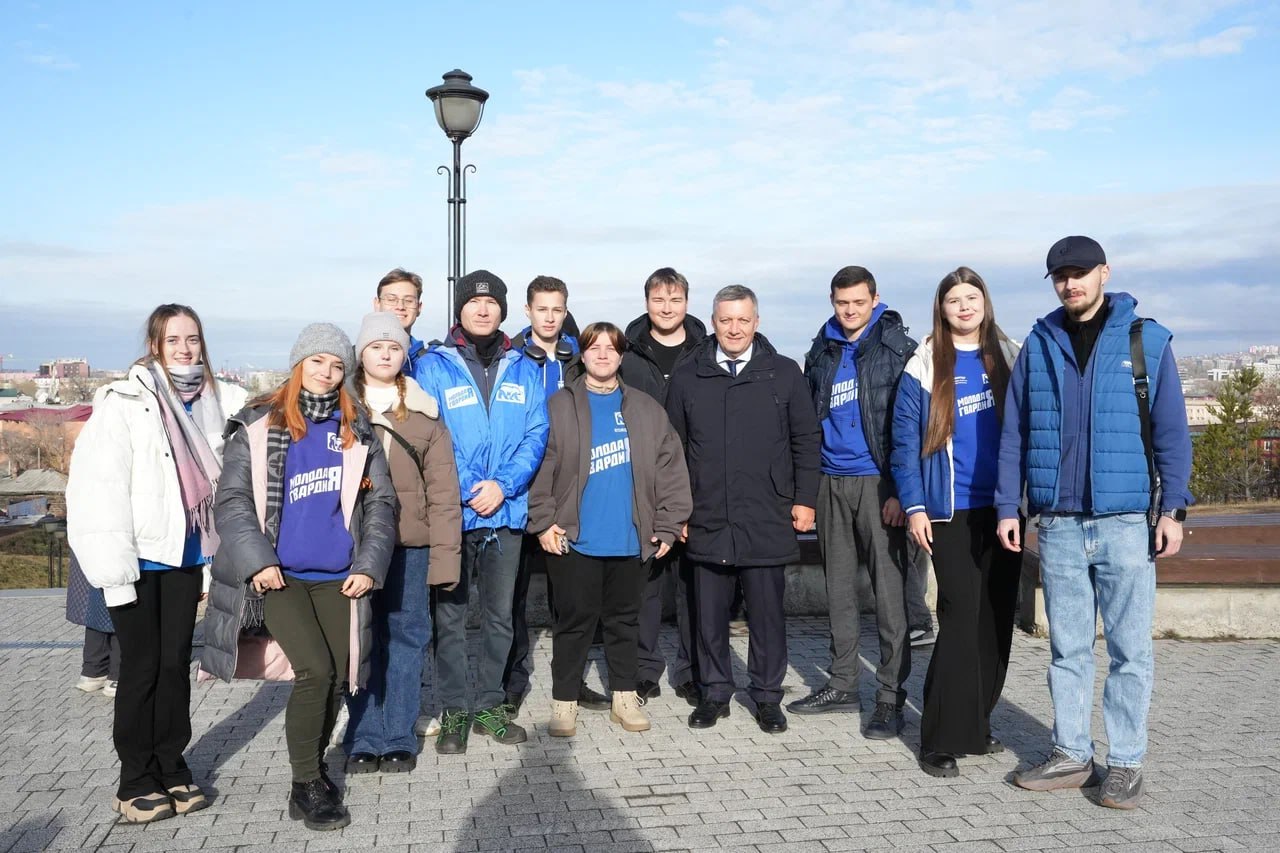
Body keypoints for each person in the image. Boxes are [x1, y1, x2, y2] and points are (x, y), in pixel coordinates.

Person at [998, 236, 1192, 809]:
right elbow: (1014, 433)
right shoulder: (1038, 343)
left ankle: (1126, 763)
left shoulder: (1145, 341)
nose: (1070, 284)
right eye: (1060, 276)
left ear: (1104, 272)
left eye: (1080, 273)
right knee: (1068, 650)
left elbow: (1172, 433)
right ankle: (1072, 754)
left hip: (1125, 522)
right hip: (1058, 523)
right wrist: (1009, 506)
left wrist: (1173, 510)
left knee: (1130, 651)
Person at [201, 323, 396, 831]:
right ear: (298, 365)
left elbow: (381, 505)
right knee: (314, 671)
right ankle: (305, 783)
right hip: (279, 576)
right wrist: (258, 561)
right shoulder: (259, 425)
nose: (327, 373)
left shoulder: (356, 428)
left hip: (339, 576)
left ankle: (313, 771)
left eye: (337, 365)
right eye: (317, 362)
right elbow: (232, 502)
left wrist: (369, 565)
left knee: (337, 676)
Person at [66, 303, 246, 823]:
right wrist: (113, 573)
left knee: (174, 667)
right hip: (139, 559)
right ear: (154, 346)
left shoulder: (216, 402)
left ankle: (171, 764)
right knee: (140, 669)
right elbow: (98, 491)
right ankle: (135, 779)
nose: (185, 349)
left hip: (187, 556)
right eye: (173, 340)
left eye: (192, 339)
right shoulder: (124, 402)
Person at [666, 285, 821, 734]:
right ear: (713, 321)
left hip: (767, 512)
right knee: (708, 615)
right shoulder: (688, 376)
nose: (734, 329)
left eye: (742, 320)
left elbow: (806, 440)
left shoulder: (784, 373)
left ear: (756, 321)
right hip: (706, 513)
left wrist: (805, 499)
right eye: (725, 320)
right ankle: (714, 693)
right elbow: (671, 450)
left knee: (767, 615)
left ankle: (767, 696)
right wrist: (677, 512)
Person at [528, 321, 692, 736]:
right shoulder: (559, 405)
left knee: (624, 623)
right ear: (582, 354)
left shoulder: (646, 409)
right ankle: (564, 701)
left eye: (611, 348)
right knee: (574, 624)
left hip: (630, 538)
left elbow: (671, 470)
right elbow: (541, 467)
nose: (602, 355)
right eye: (594, 347)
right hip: (574, 539)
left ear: (621, 356)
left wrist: (668, 525)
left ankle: (624, 696)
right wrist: (543, 522)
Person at [890, 267, 1021, 777]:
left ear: (985, 302)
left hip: (1004, 510)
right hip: (949, 511)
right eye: (954, 300)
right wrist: (915, 506)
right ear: (941, 309)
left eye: (972, 297)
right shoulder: (924, 364)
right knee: (960, 618)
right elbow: (904, 444)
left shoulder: (1010, 355)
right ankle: (939, 737)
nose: (964, 306)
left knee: (994, 622)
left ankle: (976, 725)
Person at [413, 270, 549, 754]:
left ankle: (491, 705)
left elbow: (536, 432)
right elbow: (432, 434)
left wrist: (503, 485)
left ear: (503, 310)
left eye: (492, 303)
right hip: (455, 512)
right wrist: (472, 487)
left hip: (506, 512)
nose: (483, 309)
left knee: (500, 616)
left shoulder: (525, 367)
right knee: (449, 618)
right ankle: (454, 709)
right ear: (460, 309)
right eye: (473, 302)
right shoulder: (433, 366)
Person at [791, 266, 919, 741]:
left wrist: (901, 491)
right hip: (830, 481)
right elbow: (807, 421)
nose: (850, 310)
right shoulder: (820, 350)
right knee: (839, 590)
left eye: (858, 302)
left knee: (889, 596)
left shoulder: (898, 349)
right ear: (833, 301)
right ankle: (843, 683)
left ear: (875, 299)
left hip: (878, 483)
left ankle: (890, 695)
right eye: (842, 303)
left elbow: (912, 426)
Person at [342, 312, 462, 775]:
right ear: (362, 353)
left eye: (394, 347)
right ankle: (363, 734)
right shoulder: (339, 407)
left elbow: (444, 493)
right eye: (376, 346)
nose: (386, 354)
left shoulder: (425, 414)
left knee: (407, 637)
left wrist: (446, 558)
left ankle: (397, 736)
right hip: (352, 547)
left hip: (410, 546)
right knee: (359, 639)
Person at [503, 276, 609, 714]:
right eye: (542, 309)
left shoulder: (578, 361)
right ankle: (510, 684)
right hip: (518, 489)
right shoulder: (510, 360)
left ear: (566, 312)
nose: (549, 317)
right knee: (511, 597)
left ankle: (571, 681)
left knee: (570, 600)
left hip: (566, 492)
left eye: (557, 309)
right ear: (528, 311)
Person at [619, 267, 707, 706]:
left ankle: (691, 671)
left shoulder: (705, 351)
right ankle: (644, 669)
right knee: (647, 583)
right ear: (647, 303)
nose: (667, 308)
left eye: (675, 300)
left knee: (693, 585)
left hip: (699, 482)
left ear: (686, 303)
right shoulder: (628, 354)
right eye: (658, 300)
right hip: (643, 484)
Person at [65, 549, 119, 698]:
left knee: (95, 604)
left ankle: (93, 671)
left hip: (86, 549)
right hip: (114, 552)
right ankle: (117, 675)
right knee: (119, 602)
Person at [373, 268, 431, 377]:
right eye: (391, 299)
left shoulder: (431, 363)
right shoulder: (354, 360)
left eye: (408, 301)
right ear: (377, 304)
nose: (400, 307)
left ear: (419, 308)